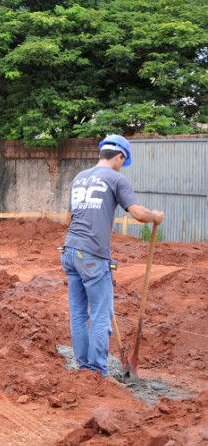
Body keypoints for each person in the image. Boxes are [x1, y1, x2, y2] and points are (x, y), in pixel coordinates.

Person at [62, 135, 164, 378]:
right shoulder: (117, 178)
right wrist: (155, 217)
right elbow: (138, 214)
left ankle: (84, 367)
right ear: (119, 156)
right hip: (92, 256)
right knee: (100, 314)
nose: (122, 165)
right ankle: (97, 370)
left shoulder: (79, 178)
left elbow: (67, 221)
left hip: (69, 252)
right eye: (123, 161)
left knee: (78, 313)